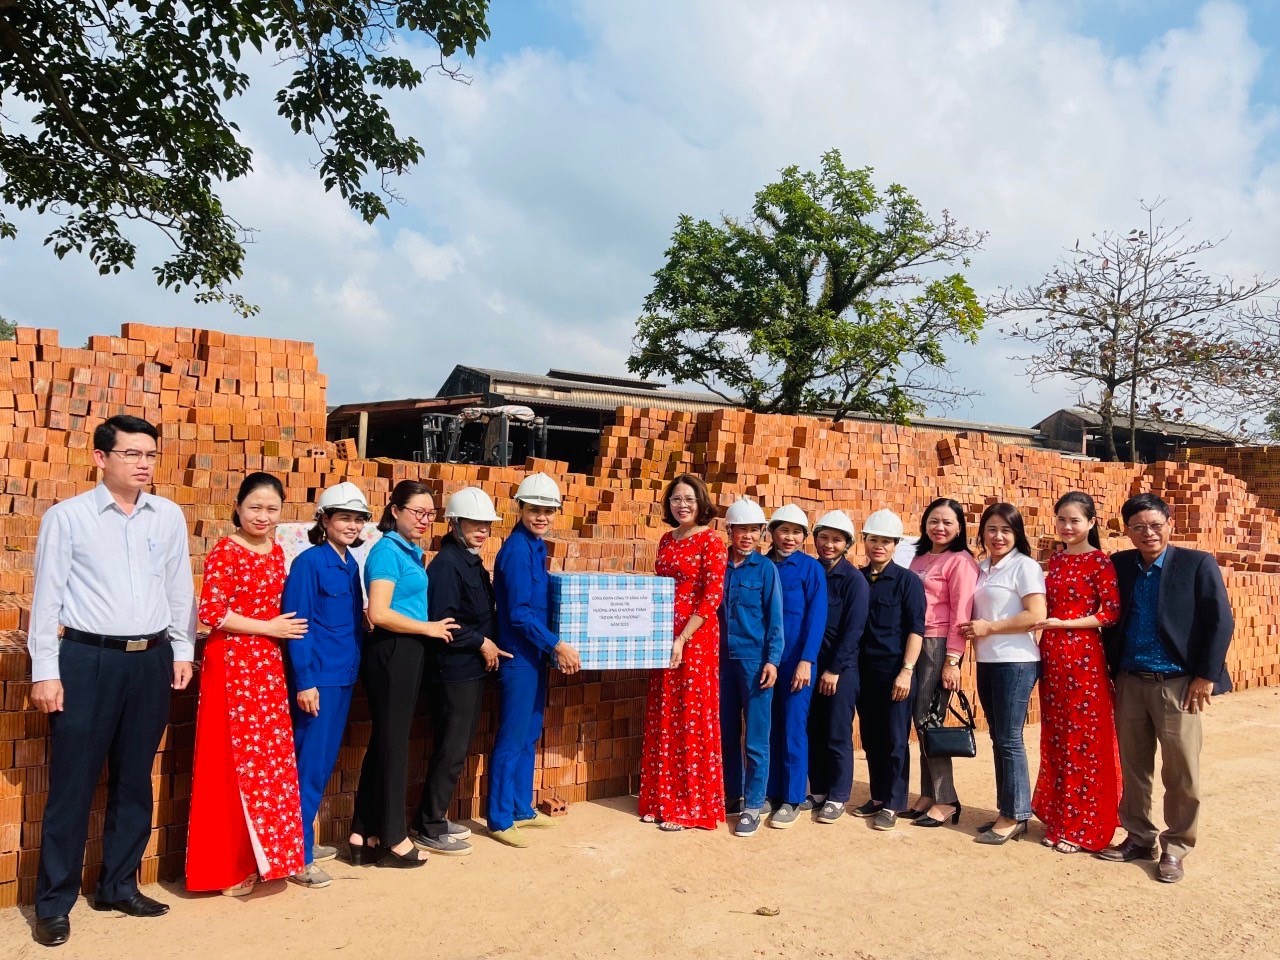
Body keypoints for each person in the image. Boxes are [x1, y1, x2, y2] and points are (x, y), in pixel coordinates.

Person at [27, 415, 196, 947]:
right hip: (87, 658)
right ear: (101, 458)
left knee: (133, 780)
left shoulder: (167, 516)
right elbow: (46, 598)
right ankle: (53, 903)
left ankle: (118, 885)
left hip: (150, 659)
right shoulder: (68, 517)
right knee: (72, 784)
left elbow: (179, 588)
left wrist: (182, 649)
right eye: (132, 454)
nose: (144, 464)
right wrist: (45, 670)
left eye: (150, 454)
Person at [1094, 492, 1234, 883]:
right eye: (1138, 527)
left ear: (1170, 524)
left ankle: (1176, 846)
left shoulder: (1196, 563)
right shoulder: (1120, 564)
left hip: (1178, 684)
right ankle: (1139, 838)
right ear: (1127, 531)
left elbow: (1220, 621)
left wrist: (1206, 675)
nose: (1148, 533)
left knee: (1182, 771)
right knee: (1134, 768)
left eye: (1156, 525)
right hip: (1129, 681)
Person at [186, 473, 307, 896]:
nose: (263, 516)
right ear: (237, 507)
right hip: (232, 663)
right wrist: (268, 627)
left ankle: (265, 858)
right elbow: (212, 612)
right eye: (255, 507)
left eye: (272, 509)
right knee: (230, 761)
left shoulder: (277, 551)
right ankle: (226, 866)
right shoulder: (226, 550)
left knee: (268, 763)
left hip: (268, 666)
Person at [349, 481, 456, 868]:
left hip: (406, 651)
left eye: (430, 514)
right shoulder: (386, 552)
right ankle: (394, 837)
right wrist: (428, 627)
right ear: (395, 511)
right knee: (393, 746)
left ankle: (362, 832)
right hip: (393, 650)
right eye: (418, 512)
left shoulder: (408, 551)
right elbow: (378, 612)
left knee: (386, 742)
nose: (425, 520)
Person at [281, 482, 372, 888]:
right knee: (310, 768)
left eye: (358, 519)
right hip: (319, 681)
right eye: (344, 518)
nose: (352, 525)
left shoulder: (349, 564)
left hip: (343, 678)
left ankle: (301, 839)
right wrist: (305, 682)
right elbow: (298, 627)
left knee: (320, 765)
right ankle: (297, 856)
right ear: (324, 519)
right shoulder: (309, 563)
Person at [417, 487, 512, 855]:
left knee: (457, 747)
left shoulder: (470, 561)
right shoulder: (446, 565)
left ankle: (436, 817)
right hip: (452, 671)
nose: (482, 530)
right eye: (474, 523)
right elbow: (443, 622)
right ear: (454, 523)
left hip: (470, 670)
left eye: (486, 524)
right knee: (451, 748)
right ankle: (428, 825)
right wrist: (481, 642)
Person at [488, 473, 581, 848]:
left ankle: (520, 808)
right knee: (512, 737)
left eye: (548, 511)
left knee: (529, 733)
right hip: (519, 656)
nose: (541, 516)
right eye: (534, 509)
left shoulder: (536, 546)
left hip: (535, 654)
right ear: (520, 509)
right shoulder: (516, 550)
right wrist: (556, 644)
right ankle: (499, 819)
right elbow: (519, 614)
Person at [1031, 491, 1122, 854]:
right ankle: (1059, 818)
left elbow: (1110, 612)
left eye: (1075, 520)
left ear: (1091, 523)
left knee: (1084, 740)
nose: (1067, 526)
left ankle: (1082, 826)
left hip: (1084, 657)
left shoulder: (1100, 562)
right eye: (1062, 520)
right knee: (1056, 737)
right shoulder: (1055, 561)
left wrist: (1065, 623)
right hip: (1053, 657)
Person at [639, 473, 728, 831]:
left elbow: (712, 596)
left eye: (689, 499)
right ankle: (659, 800)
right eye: (676, 499)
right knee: (665, 711)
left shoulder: (712, 541)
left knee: (690, 714)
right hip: (664, 636)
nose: (682, 505)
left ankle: (688, 806)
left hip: (696, 640)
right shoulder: (666, 539)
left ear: (701, 502)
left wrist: (683, 637)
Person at [959, 502, 1047, 846]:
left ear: (1017, 534)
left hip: (1017, 661)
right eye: (992, 529)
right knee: (998, 737)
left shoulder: (1024, 566)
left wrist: (989, 627)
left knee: (1009, 738)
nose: (998, 536)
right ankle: (1007, 809)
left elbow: (1035, 614)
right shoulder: (982, 568)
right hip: (989, 661)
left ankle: (1014, 815)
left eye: (1006, 530)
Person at [904, 498, 979, 828]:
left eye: (948, 522)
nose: (940, 527)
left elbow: (962, 614)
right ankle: (928, 793)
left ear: (959, 527)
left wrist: (952, 660)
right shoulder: (920, 557)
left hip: (938, 646)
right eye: (934, 521)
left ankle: (946, 799)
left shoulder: (961, 562)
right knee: (920, 721)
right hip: (915, 641)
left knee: (929, 720)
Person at [851, 509, 925, 831]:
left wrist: (906, 671)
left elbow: (916, 629)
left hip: (895, 671)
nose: (879, 546)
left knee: (895, 739)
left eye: (886, 541)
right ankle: (878, 796)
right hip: (863, 672)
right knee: (871, 737)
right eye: (873, 540)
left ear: (896, 545)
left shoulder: (908, 582)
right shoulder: (858, 579)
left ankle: (894, 803)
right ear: (865, 541)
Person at [718, 498, 784, 838]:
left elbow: (775, 620)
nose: (747, 536)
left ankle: (754, 804)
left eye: (754, 530)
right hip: (720, 661)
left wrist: (773, 660)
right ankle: (733, 794)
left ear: (761, 534)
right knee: (726, 733)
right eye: (741, 529)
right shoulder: (717, 565)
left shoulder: (766, 569)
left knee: (756, 738)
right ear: (729, 531)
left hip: (754, 662)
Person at [763, 503, 827, 828]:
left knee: (792, 727)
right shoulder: (760, 566)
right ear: (772, 533)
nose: (790, 538)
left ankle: (792, 797)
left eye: (797, 533)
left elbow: (817, 619)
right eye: (784, 531)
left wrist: (806, 661)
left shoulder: (810, 569)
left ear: (804, 537)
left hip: (796, 662)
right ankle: (770, 792)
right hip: (766, 661)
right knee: (767, 726)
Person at [806, 510, 869, 824]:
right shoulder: (812, 571)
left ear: (847, 544)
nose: (828, 544)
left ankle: (838, 795)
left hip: (840, 670)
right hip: (811, 666)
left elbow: (853, 630)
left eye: (836, 539)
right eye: (824, 537)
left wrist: (834, 670)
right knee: (814, 729)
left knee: (836, 732)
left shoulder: (853, 580)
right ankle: (818, 790)